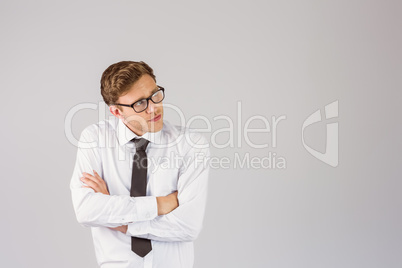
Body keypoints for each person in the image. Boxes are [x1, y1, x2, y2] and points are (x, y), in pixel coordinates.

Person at [70, 61, 210, 268]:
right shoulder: (95, 139)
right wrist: (160, 204)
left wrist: (118, 220)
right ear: (117, 112)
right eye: (140, 104)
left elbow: (188, 226)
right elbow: (86, 210)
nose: (154, 108)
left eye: (155, 95)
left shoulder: (190, 145)